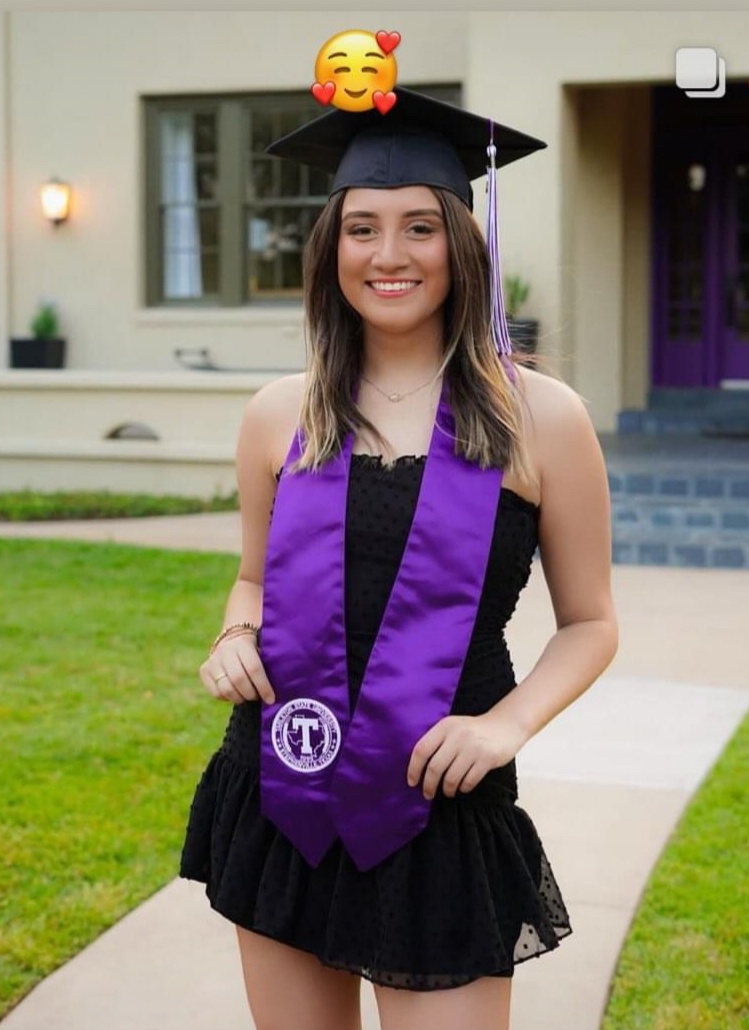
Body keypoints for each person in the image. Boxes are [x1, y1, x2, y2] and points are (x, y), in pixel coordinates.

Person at [180, 86, 618, 1030]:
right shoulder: (279, 414)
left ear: (460, 245)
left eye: (419, 227)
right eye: (361, 228)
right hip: (284, 781)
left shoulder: (538, 418)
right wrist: (234, 630)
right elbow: (254, 576)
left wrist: (505, 726)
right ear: (329, 249)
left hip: (438, 799)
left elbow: (590, 623)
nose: (388, 256)